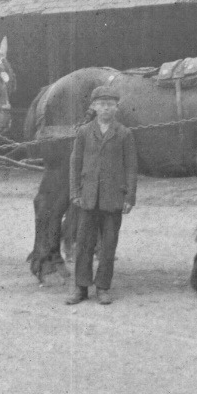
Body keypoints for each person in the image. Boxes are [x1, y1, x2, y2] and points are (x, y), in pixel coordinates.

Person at [66, 86, 138, 305]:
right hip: (87, 198)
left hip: (113, 199)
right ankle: (81, 288)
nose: (106, 108)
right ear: (94, 107)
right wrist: (75, 193)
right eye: (102, 104)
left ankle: (103, 287)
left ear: (116, 108)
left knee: (108, 246)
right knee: (84, 244)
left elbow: (131, 168)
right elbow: (75, 164)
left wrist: (129, 198)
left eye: (110, 104)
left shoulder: (124, 133)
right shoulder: (84, 132)